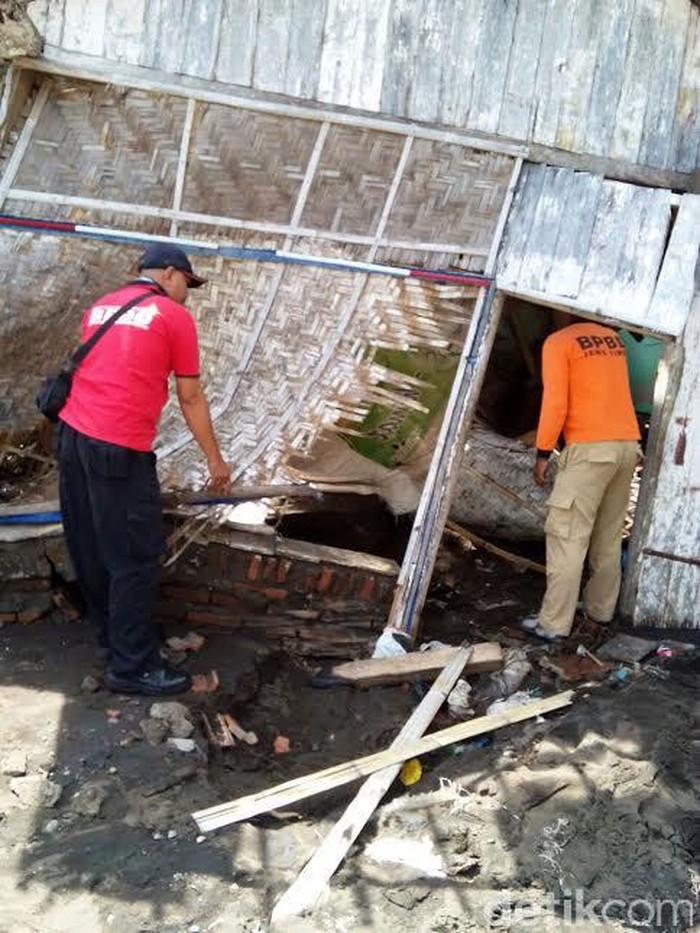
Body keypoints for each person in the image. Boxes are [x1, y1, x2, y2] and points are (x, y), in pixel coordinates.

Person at [56, 244, 231, 695]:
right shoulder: (172, 317)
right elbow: (190, 398)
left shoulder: (101, 307)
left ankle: (114, 643)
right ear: (170, 274)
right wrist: (215, 460)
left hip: (73, 439)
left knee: (92, 548)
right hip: (118, 448)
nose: (187, 294)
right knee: (134, 556)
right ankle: (133, 669)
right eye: (187, 285)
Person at [522, 316, 641, 641]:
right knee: (608, 535)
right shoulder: (613, 341)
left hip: (590, 449)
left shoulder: (558, 342)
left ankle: (553, 624)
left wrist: (544, 452)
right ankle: (600, 611)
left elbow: (555, 401)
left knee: (567, 534)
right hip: (628, 446)